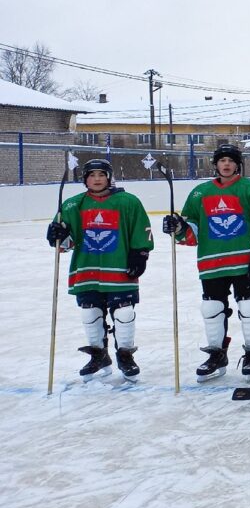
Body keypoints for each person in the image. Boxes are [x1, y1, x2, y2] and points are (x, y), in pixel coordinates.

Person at [164, 144, 250, 381]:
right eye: (222, 160)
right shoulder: (200, 193)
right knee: (212, 309)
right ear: (216, 164)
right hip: (212, 262)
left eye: (231, 160)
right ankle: (217, 354)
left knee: (249, 307)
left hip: (245, 261)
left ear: (238, 164)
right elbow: (191, 229)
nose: (226, 164)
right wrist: (179, 228)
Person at [47, 159, 153, 381]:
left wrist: (140, 254)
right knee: (90, 312)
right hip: (87, 269)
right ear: (85, 178)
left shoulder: (128, 202)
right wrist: (56, 235)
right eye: (92, 175)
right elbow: (65, 243)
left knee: (124, 313)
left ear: (109, 177)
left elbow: (141, 231)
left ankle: (125, 355)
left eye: (101, 174)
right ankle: (99, 355)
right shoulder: (72, 205)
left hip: (119, 269)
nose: (97, 179)